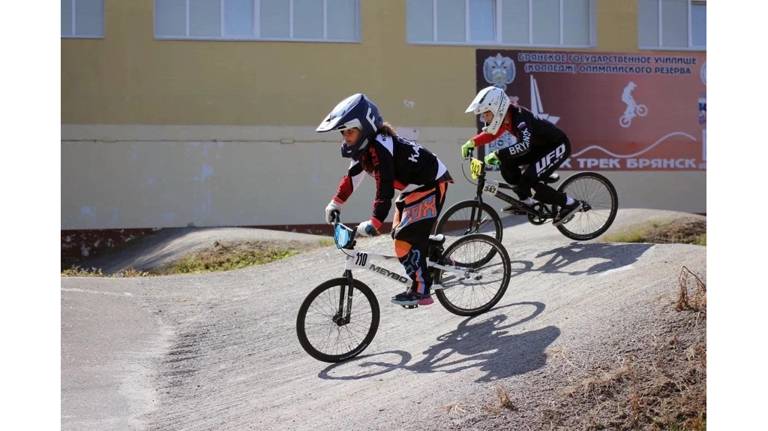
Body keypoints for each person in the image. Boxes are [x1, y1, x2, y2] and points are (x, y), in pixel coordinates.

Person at [317, 93, 453, 307]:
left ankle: (421, 289)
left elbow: (385, 185)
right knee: (401, 235)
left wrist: (375, 221)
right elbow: (352, 177)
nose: (346, 138)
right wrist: (336, 203)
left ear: (365, 128)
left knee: (403, 240)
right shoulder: (365, 148)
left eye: (350, 132)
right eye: (343, 133)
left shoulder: (381, 147)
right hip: (413, 189)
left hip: (431, 184)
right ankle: (433, 249)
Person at [460, 86, 580, 225]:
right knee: (507, 163)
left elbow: (524, 145)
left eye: (486, 114)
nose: (483, 118)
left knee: (530, 179)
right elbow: (491, 134)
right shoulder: (505, 118)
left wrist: (498, 154)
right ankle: (527, 202)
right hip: (538, 149)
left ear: (497, 108)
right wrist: (471, 143)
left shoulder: (519, 118)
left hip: (557, 145)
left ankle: (570, 203)